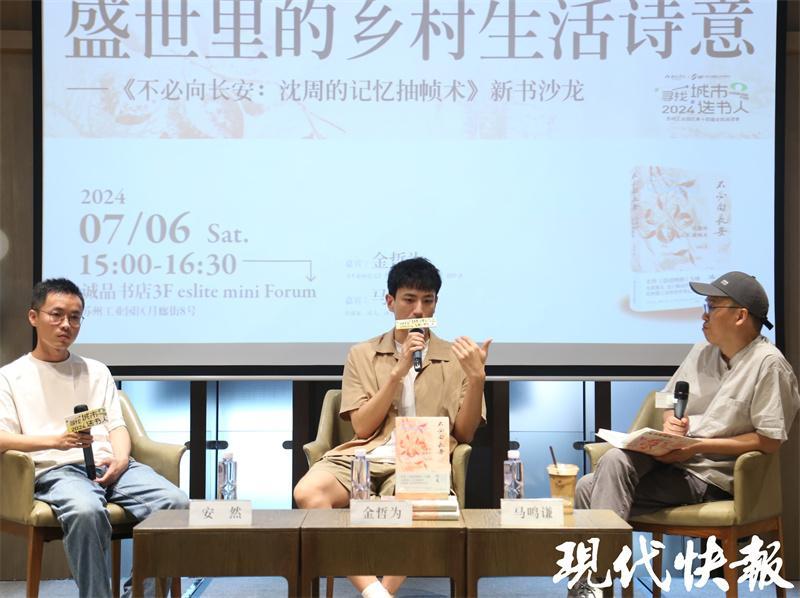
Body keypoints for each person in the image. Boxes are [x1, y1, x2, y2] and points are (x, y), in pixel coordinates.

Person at [293, 257, 491, 598]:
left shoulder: (455, 357)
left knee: (415, 501)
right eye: (409, 300)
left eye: (427, 300)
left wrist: (476, 379)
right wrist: (398, 373)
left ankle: (382, 591)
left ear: (436, 304)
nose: (418, 310)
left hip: (423, 459)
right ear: (390, 302)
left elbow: (464, 434)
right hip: (365, 454)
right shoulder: (362, 354)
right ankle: (372, 590)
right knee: (307, 493)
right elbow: (362, 427)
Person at [0, 279, 189, 598]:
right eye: (56, 314)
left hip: (111, 466)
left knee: (176, 503)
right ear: (34, 317)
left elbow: (117, 426)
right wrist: (55, 441)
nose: (66, 324)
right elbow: (3, 438)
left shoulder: (96, 371)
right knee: (86, 511)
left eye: (75, 317)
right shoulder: (11, 376)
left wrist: (121, 459)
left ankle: (142, 594)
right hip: (56, 471)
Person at [576, 270, 800, 520]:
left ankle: (603, 547)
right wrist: (670, 420)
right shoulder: (702, 351)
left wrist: (696, 447)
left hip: (711, 474)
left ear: (740, 316)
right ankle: (607, 547)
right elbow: (665, 398)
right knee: (612, 461)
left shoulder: (769, 364)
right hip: (674, 459)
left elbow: (769, 440)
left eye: (712, 306)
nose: (704, 315)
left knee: (588, 488)